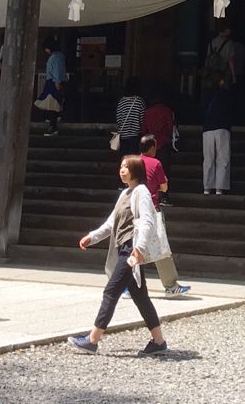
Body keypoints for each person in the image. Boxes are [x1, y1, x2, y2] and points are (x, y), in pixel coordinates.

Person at [67, 153, 168, 356]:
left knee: (111, 291)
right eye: (121, 166)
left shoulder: (142, 192)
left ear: (135, 171)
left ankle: (93, 340)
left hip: (131, 249)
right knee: (141, 297)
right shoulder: (125, 194)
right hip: (124, 248)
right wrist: (92, 237)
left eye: (126, 167)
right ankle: (159, 341)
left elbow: (147, 222)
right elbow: (111, 223)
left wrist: (139, 248)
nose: (121, 170)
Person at [139, 134, 189, 298]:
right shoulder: (156, 163)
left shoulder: (133, 162)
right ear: (152, 147)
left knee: (132, 247)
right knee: (160, 247)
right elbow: (164, 187)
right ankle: (170, 285)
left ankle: (127, 286)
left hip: (134, 209)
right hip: (152, 209)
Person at [202, 72, 232, 195]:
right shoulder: (225, 95)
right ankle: (220, 188)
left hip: (208, 128)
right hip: (222, 127)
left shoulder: (205, 95)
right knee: (223, 158)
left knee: (208, 159)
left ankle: (207, 188)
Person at [33, 38, 69, 134]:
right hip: (53, 81)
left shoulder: (56, 57)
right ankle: (55, 119)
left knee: (51, 104)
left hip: (54, 82)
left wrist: (57, 82)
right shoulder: (58, 56)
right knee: (53, 104)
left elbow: (57, 70)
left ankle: (53, 126)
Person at [140, 91, 177, 168]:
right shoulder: (167, 110)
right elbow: (170, 127)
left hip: (150, 144)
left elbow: (144, 129)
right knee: (164, 169)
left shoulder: (147, 112)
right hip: (164, 144)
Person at [114, 79, 145, 156]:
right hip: (135, 136)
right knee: (134, 158)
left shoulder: (121, 101)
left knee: (124, 157)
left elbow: (119, 119)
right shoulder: (139, 101)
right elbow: (142, 119)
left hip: (123, 136)